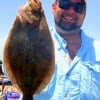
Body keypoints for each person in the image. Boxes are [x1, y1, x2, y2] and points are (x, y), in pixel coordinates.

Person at [4, 0, 100, 99]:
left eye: (78, 7)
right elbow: (7, 68)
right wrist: (18, 27)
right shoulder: (28, 28)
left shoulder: (98, 50)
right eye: (65, 3)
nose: (71, 11)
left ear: (84, 14)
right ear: (53, 8)